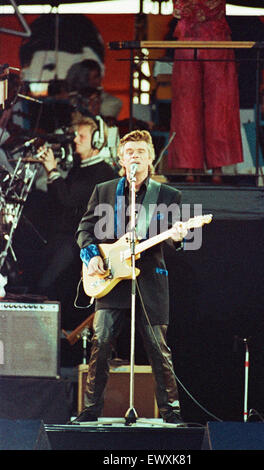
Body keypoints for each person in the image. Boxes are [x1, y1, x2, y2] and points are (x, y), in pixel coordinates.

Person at [72, 129, 188, 424]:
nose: (134, 157)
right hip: (111, 278)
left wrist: (179, 236)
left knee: (158, 350)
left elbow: (177, 242)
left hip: (149, 280)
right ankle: (89, 409)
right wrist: (93, 256)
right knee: (101, 343)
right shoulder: (104, 190)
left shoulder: (168, 195)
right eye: (129, 153)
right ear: (121, 159)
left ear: (151, 159)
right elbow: (85, 230)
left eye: (140, 152)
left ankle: (170, 411)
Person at [37, 115, 116, 328]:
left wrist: (52, 170)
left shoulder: (101, 172)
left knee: (47, 283)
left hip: (80, 243)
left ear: (97, 140)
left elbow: (68, 199)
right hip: (68, 237)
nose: (76, 140)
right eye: (75, 136)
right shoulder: (81, 167)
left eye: (82, 136)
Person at [168, 0, 243, 182]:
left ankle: (218, 167)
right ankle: (190, 167)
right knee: (186, 105)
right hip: (188, 36)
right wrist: (192, 10)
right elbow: (178, 11)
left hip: (216, 37)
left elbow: (212, 7)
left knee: (219, 104)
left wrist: (193, 9)